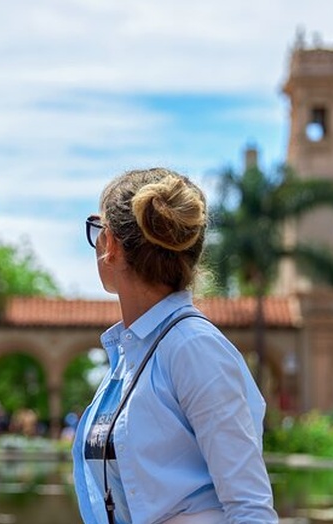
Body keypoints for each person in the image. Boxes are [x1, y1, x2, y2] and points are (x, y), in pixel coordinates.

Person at [72, 168, 278, 524]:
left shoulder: (193, 348)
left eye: (98, 230)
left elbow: (250, 508)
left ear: (112, 246)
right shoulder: (133, 353)